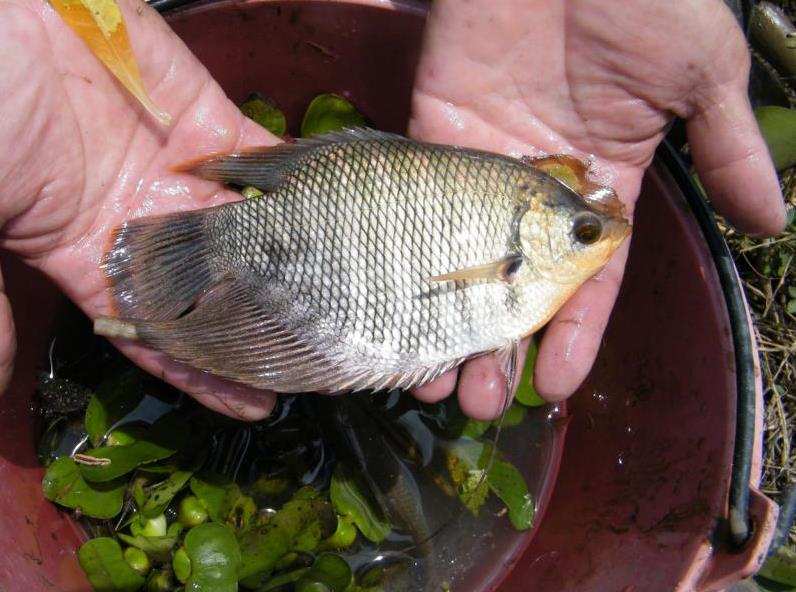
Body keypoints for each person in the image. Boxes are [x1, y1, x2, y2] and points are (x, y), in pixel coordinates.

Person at [0, 0, 786, 420]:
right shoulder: (520, 273)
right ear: (529, 244)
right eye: (582, 232)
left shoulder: (521, 235)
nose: (599, 239)